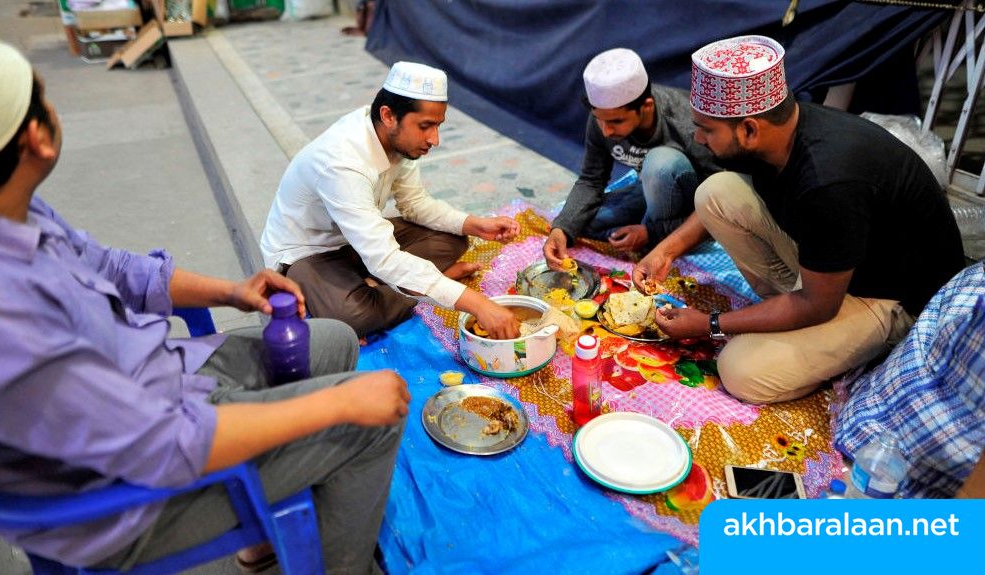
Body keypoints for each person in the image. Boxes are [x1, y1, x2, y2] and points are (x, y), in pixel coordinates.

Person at [0, 28, 407, 574]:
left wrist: (232, 291)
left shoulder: (4, 213)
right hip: (127, 501)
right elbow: (163, 445)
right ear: (39, 138)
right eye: (44, 97)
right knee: (372, 420)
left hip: (162, 381)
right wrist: (340, 406)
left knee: (334, 341)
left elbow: (111, 268)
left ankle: (265, 532)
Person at [632, 35, 966, 404]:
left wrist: (710, 325)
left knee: (740, 370)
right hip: (836, 268)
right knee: (716, 192)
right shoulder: (778, 131)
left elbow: (819, 305)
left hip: (889, 298)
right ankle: (786, 317)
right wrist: (665, 251)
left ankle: (848, 345)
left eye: (707, 129)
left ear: (749, 129)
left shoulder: (828, 182)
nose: (698, 137)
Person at [261, 62, 522, 340]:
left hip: (357, 243)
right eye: (425, 126)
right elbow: (383, 257)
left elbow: (414, 203)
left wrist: (475, 225)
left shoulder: (398, 141)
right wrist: (478, 304)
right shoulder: (342, 163)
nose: (435, 139)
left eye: (437, 126)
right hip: (309, 255)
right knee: (352, 317)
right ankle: (418, 285)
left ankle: (397, 287)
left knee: (454, 238)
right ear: (388, 116)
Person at [543, 48, 721, 269]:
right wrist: (561, 230)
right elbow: (591, 180)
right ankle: (641, 237)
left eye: (616, 122)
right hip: (649, 190)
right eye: (600, 119)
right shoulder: (603, 117)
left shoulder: (687, 123)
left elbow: (717, 200)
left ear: (646, 106)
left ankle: (663, 240)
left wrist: (650, 232)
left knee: (660, 164)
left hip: (692, 199)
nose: (606, 131)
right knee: (578, 223)